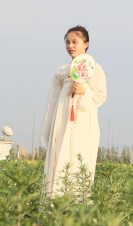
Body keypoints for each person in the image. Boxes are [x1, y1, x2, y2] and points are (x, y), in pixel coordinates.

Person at [40, 25, 107, 196]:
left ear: (86, 44)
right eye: (67, 42)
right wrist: (48, 129)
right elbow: (52, 101)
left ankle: (77, 209)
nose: (70, 46)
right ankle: (54, 206)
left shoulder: (95, 69)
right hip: (62, 120)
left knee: (80, 155)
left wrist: (85, 91)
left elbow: (101, 96)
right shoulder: (62, 71)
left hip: (84, 121)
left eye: (75, 42)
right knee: (59, 156)